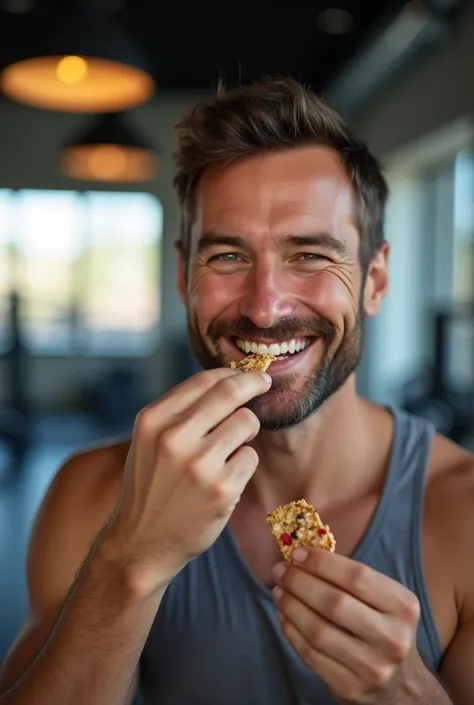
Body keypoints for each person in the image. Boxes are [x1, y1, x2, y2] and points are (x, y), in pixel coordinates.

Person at [0, 77, 472, 705]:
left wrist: (413, 693)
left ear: (376, 280)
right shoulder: (92, 496)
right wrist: (129, 563)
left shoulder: (464, 516)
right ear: (181, 278)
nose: (264, 308)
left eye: (309, 255)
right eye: (226, 257)